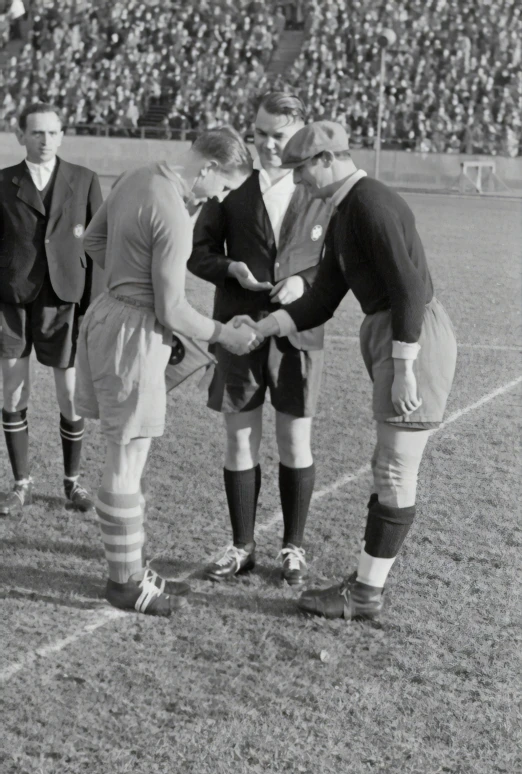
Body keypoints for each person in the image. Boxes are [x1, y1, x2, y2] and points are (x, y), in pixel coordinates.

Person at [237, 120, 457, 621]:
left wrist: (405, 367)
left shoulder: (370, 204)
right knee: (388, 466)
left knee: (396, 468)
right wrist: (264, 326)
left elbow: (407, 289)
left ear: (326, 160)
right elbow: (321, 299)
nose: (297, 181)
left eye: (301, 169)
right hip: (397, 336)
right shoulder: (345, 212)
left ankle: (364, 594)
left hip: (412, 336)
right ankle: (364, 585)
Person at [76, 127, 262, 617]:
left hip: (112, 316)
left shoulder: (138, 175)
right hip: (134, 332)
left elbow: (94, 240)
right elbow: (174, 308)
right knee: (125, 458)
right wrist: (225, 333)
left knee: (130, 452)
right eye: (221, 187)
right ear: (207, 169)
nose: (219, 197)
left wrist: (127, 273)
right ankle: (124, 584)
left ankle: (132, 570)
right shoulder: (174, 212)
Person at [188, 92, 333, 586]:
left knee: (295, 441)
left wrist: (306, 282)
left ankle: (293, 547)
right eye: (260, 133)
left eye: (280, 135)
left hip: (298, 331)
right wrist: (231, 268)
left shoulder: (318, 186)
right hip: (240, 331)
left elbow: (339, 259)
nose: (269, 145)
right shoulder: (233, 186)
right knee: (240, 438)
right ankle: (242, 546)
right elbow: (198, 254)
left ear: (300, 132)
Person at [0, 101, 103, 516]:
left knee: (70, 396)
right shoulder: (3, 182)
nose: (45, 140)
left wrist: (93, 306)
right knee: (13, 391)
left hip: (65, 301)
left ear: (62, 135)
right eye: (37, 132)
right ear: (20, 135)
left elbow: (96, 246)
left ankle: (72, 483)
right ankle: (20, 483)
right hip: (12, 299)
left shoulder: (85, 179)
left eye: (53, 133)